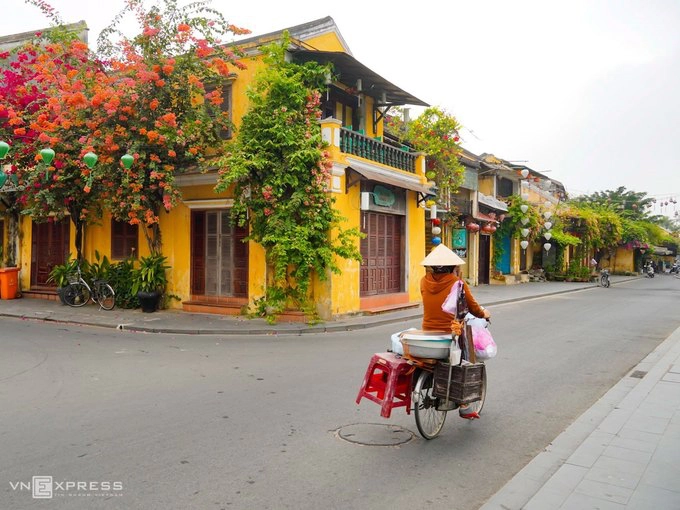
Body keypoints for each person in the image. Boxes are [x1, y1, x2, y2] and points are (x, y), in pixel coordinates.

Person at [420, 244, 490, 419]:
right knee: (464, 359)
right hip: (449, 332)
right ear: (452, 266)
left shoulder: (424, 281)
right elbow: (473, 308)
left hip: (427, 330)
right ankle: (464, 404)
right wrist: (484, 314)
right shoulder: (457, 283)